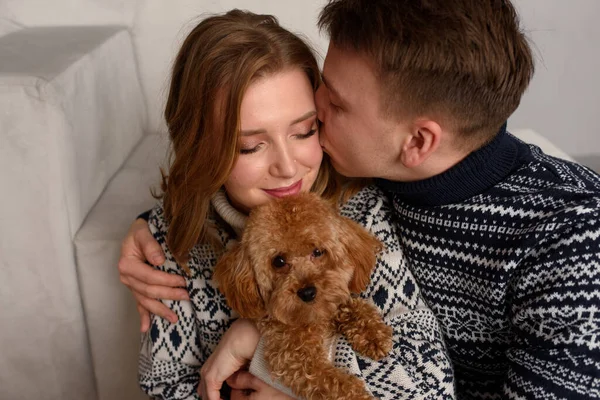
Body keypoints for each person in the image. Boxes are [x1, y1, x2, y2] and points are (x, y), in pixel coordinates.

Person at [120, 0, 600, 399]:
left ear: (418, 143)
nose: (293, 162)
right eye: (321, 93)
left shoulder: (573, 240)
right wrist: (157, 226)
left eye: (318, 118)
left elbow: (423, 379)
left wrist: (266, 344)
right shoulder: (368, 171)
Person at [131, 8, 454, 400]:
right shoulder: (170, 247)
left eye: (304, 131)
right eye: (250, 146)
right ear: (204, 150)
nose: (288, 168)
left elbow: (431, 383)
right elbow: (162, 385)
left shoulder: (360, 212)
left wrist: (265, 353)